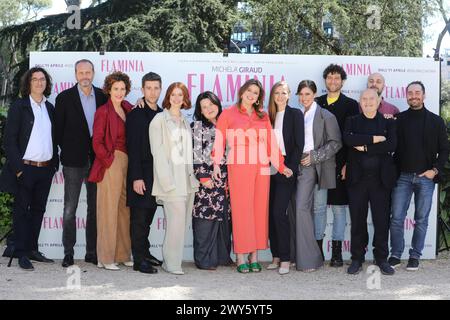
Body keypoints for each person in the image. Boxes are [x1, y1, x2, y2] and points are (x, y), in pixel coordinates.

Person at [212, 79, 293, 274]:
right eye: (249, 91)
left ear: (259, 98)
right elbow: (220, 140)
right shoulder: (228, 113)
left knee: (258, 210)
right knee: (241, 211)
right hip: (238, 164)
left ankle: (254, 256)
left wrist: (281, 166)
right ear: (242, 92)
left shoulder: (262, 116)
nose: (252, 95)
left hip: (261, 166)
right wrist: (216, 164)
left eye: (256, 93)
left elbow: (271, 145)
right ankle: (240, 255)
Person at [0, 67, 59, 270]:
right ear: (29, 83)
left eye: (42, 79)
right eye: (35, 79)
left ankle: (32, 249)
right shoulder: (20, 106)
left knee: (38, 210)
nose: (39, 83)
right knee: (21, 211)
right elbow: (9, 141)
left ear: (46, 83)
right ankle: (21, 252)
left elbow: (53, 138)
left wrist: (53, 164)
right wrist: (18, 170)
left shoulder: (50, 108)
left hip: (45, 169)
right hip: (25, 168)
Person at [389, 81, 449, 271]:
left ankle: (415, 255)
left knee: (421, 219)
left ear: (423, 95)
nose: (413, 96)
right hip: (402, 177)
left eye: (417, 93)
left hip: (426, 178)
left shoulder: (436, 121)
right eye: (410, 93)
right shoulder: (398, 119)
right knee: (397, 218)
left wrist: (435, 170)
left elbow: (445, 150)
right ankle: (396, 254)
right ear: (406, 96)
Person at [54, 59, 108, 268]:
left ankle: (91, 252)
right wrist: (68, 150)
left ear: (93, 73)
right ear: (75, 74)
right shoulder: (64, 98)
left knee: (94, 209)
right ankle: (68, 252)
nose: (85, 76)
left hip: (97, 161)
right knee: (70, 208)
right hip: (73, 162)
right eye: (81, 72)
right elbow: (57, 131)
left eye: (88, 72)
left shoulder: (103, 97)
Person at [344, 89, 397, 275]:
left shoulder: (388, 123)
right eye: (364, 99)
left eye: (371, 99)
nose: (368, 102)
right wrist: (375, 140)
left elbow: (391, 145)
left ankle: (381, 258)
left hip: (380, 181)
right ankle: (357, 258)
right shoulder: (351, 121)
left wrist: (364, 147)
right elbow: (349, 139)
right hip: (357, 180)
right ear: (360, 102)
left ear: (379, 101)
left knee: (381, 221)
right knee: (358, 221)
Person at [149, 82, 199, 275]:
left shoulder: (185, 121)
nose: (177, 98)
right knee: (176, 223)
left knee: (181, 223)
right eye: (173, 94)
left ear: (185, 98)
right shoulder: (159, 120)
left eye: (181, 95)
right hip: (170, 182)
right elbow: (158, 153)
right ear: (168, 97)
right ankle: (172, 263)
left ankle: (168, 259)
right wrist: (166, 181)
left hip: (186, 182)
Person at [294, 80, 341, 272]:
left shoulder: (325, 115)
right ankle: (299, 255)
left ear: (314, 94)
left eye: (307, 94)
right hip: (294, 166)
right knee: (298, 209)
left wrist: (314, 157)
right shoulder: (297, 114)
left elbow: (336, 142)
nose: (304, 98)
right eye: (301, 94)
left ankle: (310, 258)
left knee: (301, 208)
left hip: (313, 166)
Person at [88, 71, 133, 271]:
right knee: (107, 210)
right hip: (111, 161)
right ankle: (105, 258)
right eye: (116, 89)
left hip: (128, 162)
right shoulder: (103, 111)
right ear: (109, 89)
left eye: (123, 89)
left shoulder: (128, 108)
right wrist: (109, 160)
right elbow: (96, 142)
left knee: (124, 210)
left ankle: (122, 254)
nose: (119, 92)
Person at [315, 64, 359, 266]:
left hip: (340, 164)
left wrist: (348, 163)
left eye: (337, 78)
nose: (333, 81)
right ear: (325, 80)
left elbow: (352, 137)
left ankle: (337, 253)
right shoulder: (316, 103)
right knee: (320, 208)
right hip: (319, 165)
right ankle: (317, 252)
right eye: (329, 77)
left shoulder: (350, 105)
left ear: (342, 81)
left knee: (340, 209)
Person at [126, 72, 163, 274]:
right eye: (148, 88)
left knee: (148, 217)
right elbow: (132, 148)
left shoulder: (162, 113)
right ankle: (139, 260)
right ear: (142, 90)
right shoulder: (135, 114)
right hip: (141, 174)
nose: (152, 92)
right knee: (139, 219)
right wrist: (136, 177)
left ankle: (146, 252)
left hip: (158, 175)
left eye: (156, 88)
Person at [191, 91, 233, 270]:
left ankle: (222, 257)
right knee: (205, 220)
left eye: (211, 104)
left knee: (224, 220)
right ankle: (204, 260)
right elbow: (195, 155)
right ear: (200, 111)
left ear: (218, 103)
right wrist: (203, 177)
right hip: (207, 181)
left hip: (227, 182)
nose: (209, 109)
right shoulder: (198, 127)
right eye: (204, 107)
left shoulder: (228, 124)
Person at [267, 81, 304, 275]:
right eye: (277, 93)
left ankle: (286, 258)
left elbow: (299, 145)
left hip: (287, 169)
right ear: (272, 96)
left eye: (284, 93)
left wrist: (289, 167)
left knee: (279, 213)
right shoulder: (268, 116)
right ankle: (275, 255)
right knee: (270, 214)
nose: (280, 96)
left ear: (289, 95)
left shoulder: (295, 114)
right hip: (268, 169)